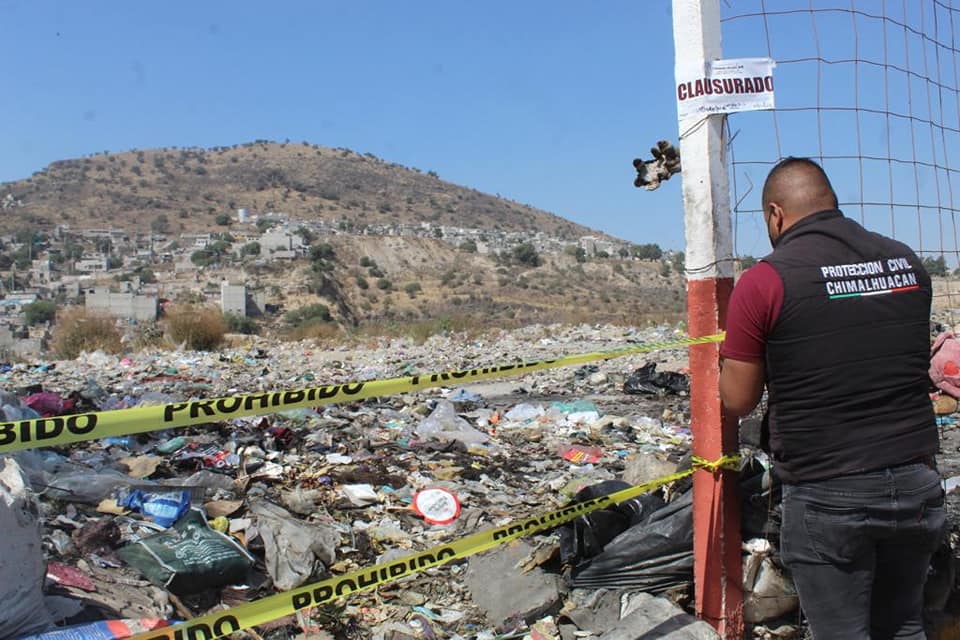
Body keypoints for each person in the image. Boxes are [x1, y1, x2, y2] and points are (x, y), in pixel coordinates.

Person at [719, 157, 944, 639]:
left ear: (775, 215)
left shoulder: (765, 281)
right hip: (916, 482)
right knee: (905, 625)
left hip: (827, 492)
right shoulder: (906, 262)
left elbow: (737, 399)